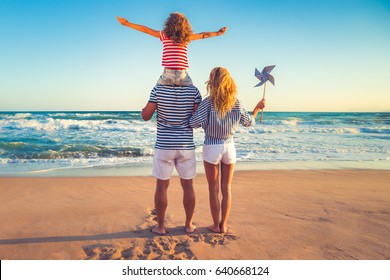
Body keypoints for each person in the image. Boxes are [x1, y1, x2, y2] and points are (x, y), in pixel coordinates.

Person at [189, 67, 265, 233]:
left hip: (211, 146)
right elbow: (249, 122)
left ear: (212, 82)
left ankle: (215, 225)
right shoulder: (236, 102)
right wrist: (257, 108)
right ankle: (224, 225)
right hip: (229, 147)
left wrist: (195, 110)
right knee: (227, 189)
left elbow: (193, 123)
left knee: (213, 189)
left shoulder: (207, 102)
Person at [141, 84, 202, 235]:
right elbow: (198, 120)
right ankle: (188, 225)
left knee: (161, 186)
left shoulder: (158, 90)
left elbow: (145, 116)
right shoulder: (193, 91)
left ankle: (160, 227)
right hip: (186, 146)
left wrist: (147, 109)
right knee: (188, 186)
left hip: (164, 145)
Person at [117, 12, 227, 86]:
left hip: (167, 74)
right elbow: (203, 35)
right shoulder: (186, 37)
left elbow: (145, 30)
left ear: (169, 24)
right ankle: (195, 116)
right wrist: (218, 33)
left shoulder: (164, 35)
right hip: (182, 74)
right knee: (194, 95)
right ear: (185, 26)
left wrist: (126, 23)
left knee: (156, 93)